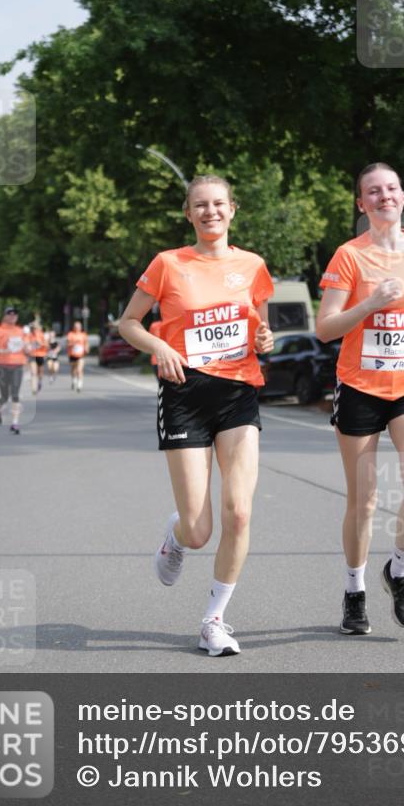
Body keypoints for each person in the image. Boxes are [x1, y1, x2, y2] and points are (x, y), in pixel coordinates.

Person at [119, 175, 274, 657]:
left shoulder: (252, 266)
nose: (210, 212)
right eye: (200, 206)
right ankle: (176, 535)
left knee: (240, 510)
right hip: (184, 394)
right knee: (200, 530)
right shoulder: (168, 264)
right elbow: (127, 323)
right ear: (188, 214)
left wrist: (264, 341)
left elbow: (260, 329)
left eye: (218, 204)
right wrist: (159, 344)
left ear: (233, 209)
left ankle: (214, 620)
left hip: (237, 394)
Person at [316, 162, 404, 635]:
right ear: (362, 204)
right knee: (364, 500)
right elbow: (325, 327)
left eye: (391, 188)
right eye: (373, 192)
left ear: (403, 197)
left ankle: (399, 569)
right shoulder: (349, 256)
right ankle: (355, 592)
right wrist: (370, 303)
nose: (384, 196)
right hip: (359, 388)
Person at [0, 306, 27, 434]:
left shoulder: (20, 331)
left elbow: (26, 347)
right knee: (4, 396)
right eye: (10, 314)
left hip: (17, 365)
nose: (13, 316)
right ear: (5, 316)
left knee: (15, 395)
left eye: (15, 314)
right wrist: (2, 351)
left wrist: (29, 348)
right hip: (2, 366)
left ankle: (15, 423)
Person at [66, 321, 89, 392]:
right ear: (74, 327)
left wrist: (87, 349)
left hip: (80, 355)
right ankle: (74, 380)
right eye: (76, 327)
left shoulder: (83, 335)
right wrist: (73, 344)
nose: (77, 328)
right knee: (73, 369)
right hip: (72, 354)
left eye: (78, 327)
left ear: (80, 327)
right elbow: (67, 343)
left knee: (79, 370)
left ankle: (79, 384)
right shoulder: (70, 334)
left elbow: (86, 343)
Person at [26, 321, 48, 394]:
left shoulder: (41, 335)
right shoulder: (29, 335)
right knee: (33, 372)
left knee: (40, 372)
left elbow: (47, 345)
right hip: (32, 355)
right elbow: (26, 344)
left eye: (35, 328)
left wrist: (41, 343)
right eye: (33, 328)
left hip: (40, 355)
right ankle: (34, 389)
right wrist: (27, 347)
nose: (34, 329)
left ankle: (40, 382)